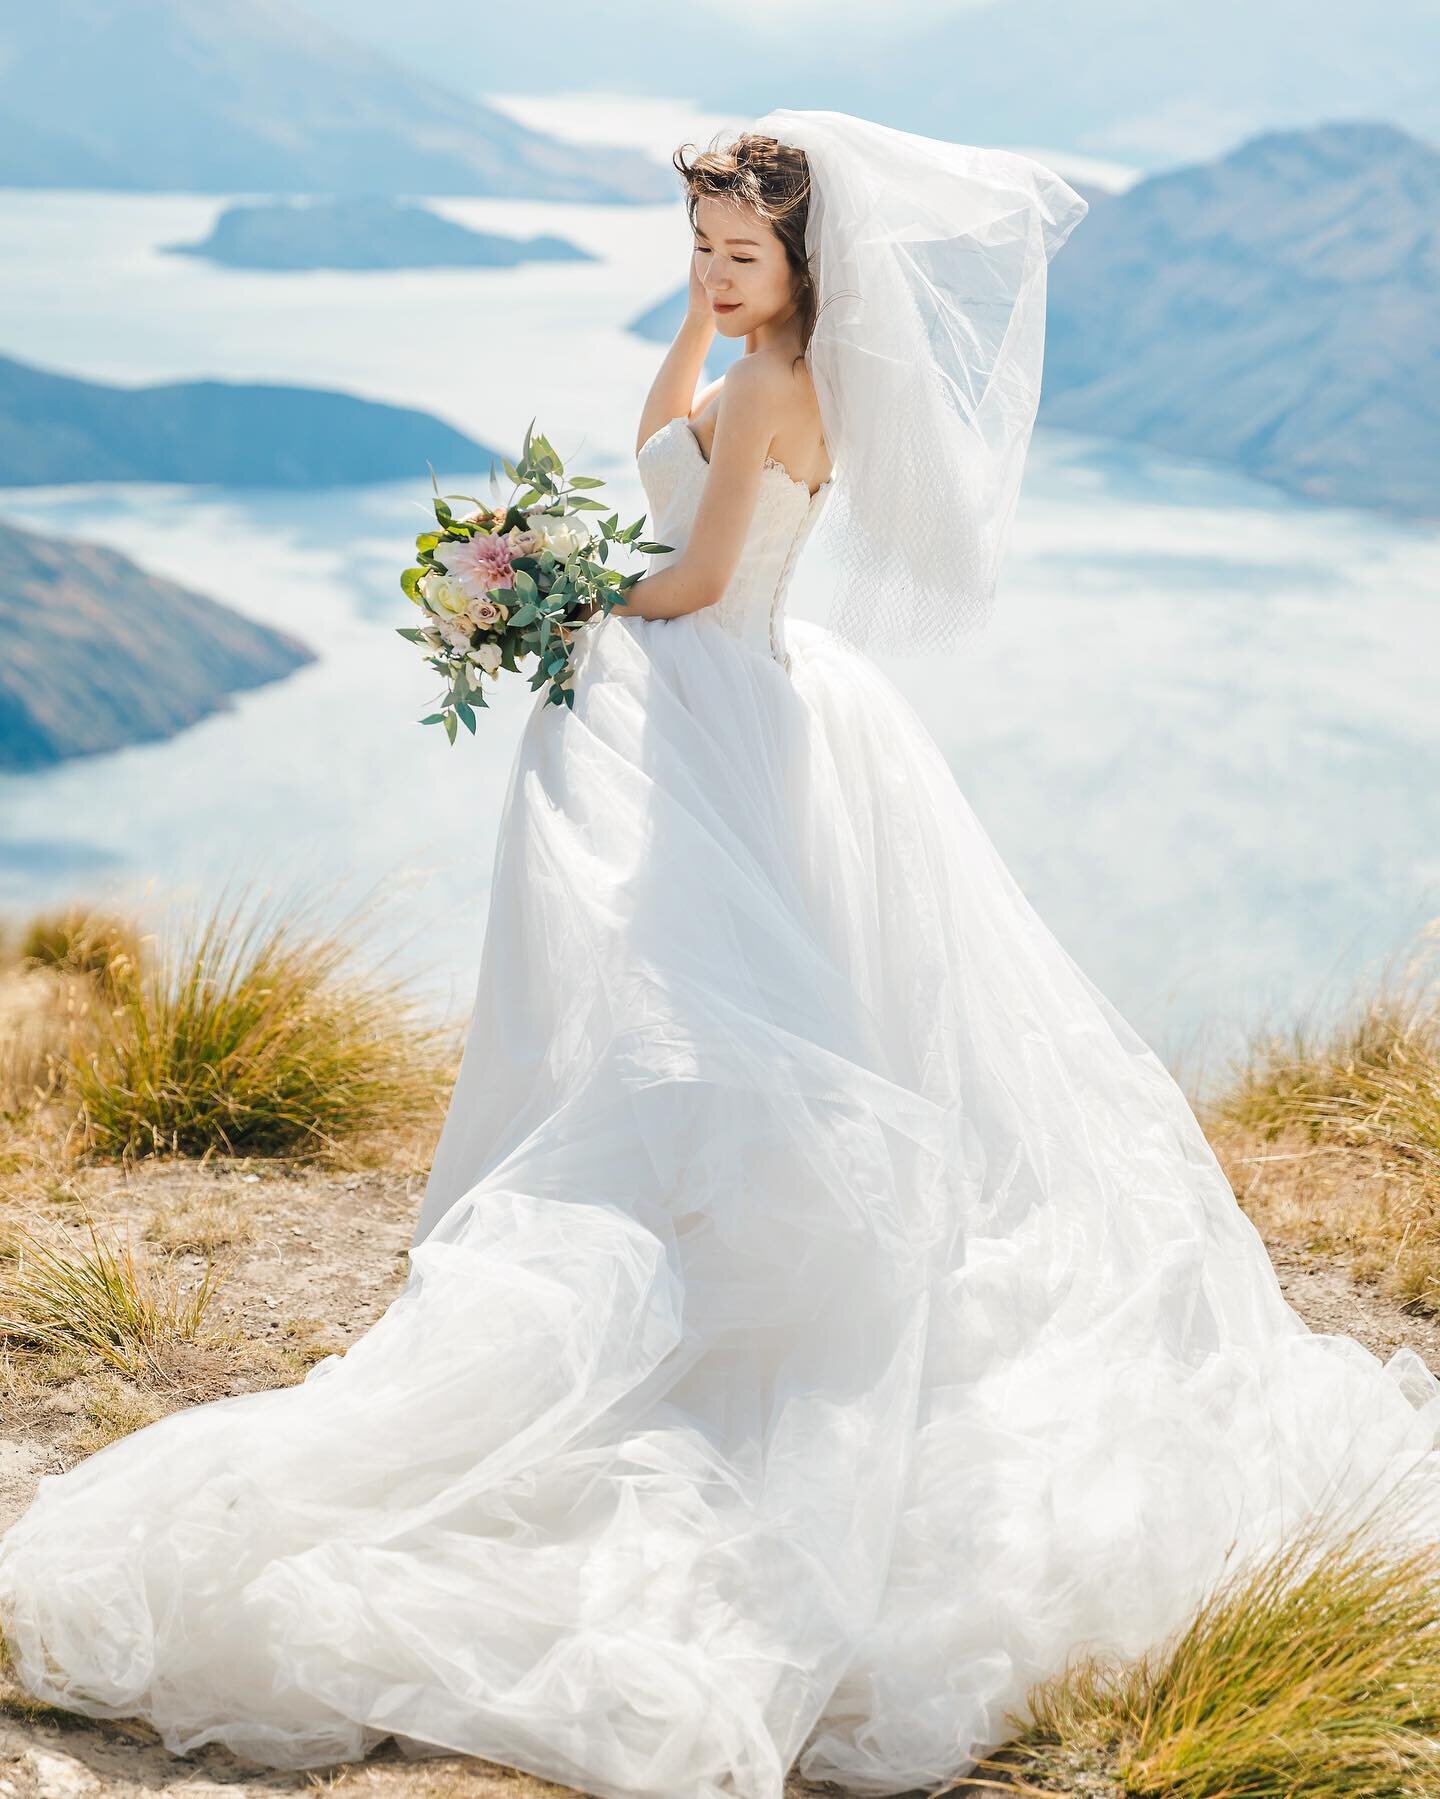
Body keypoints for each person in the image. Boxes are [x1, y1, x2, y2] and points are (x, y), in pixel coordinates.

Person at [3, 108, 1439, 1799]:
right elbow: (659, 445)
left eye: (737, 256)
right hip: (742, 703)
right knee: (706, 1001)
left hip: (717, 698)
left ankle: (711, 1281)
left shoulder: (784, 389)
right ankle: (700, 1241)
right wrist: (686, 322)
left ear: (809, 264)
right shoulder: (753, 361)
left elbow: (692, 569)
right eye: (695, 249)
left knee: (697, 997)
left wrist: (551, 610)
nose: (711, 274)